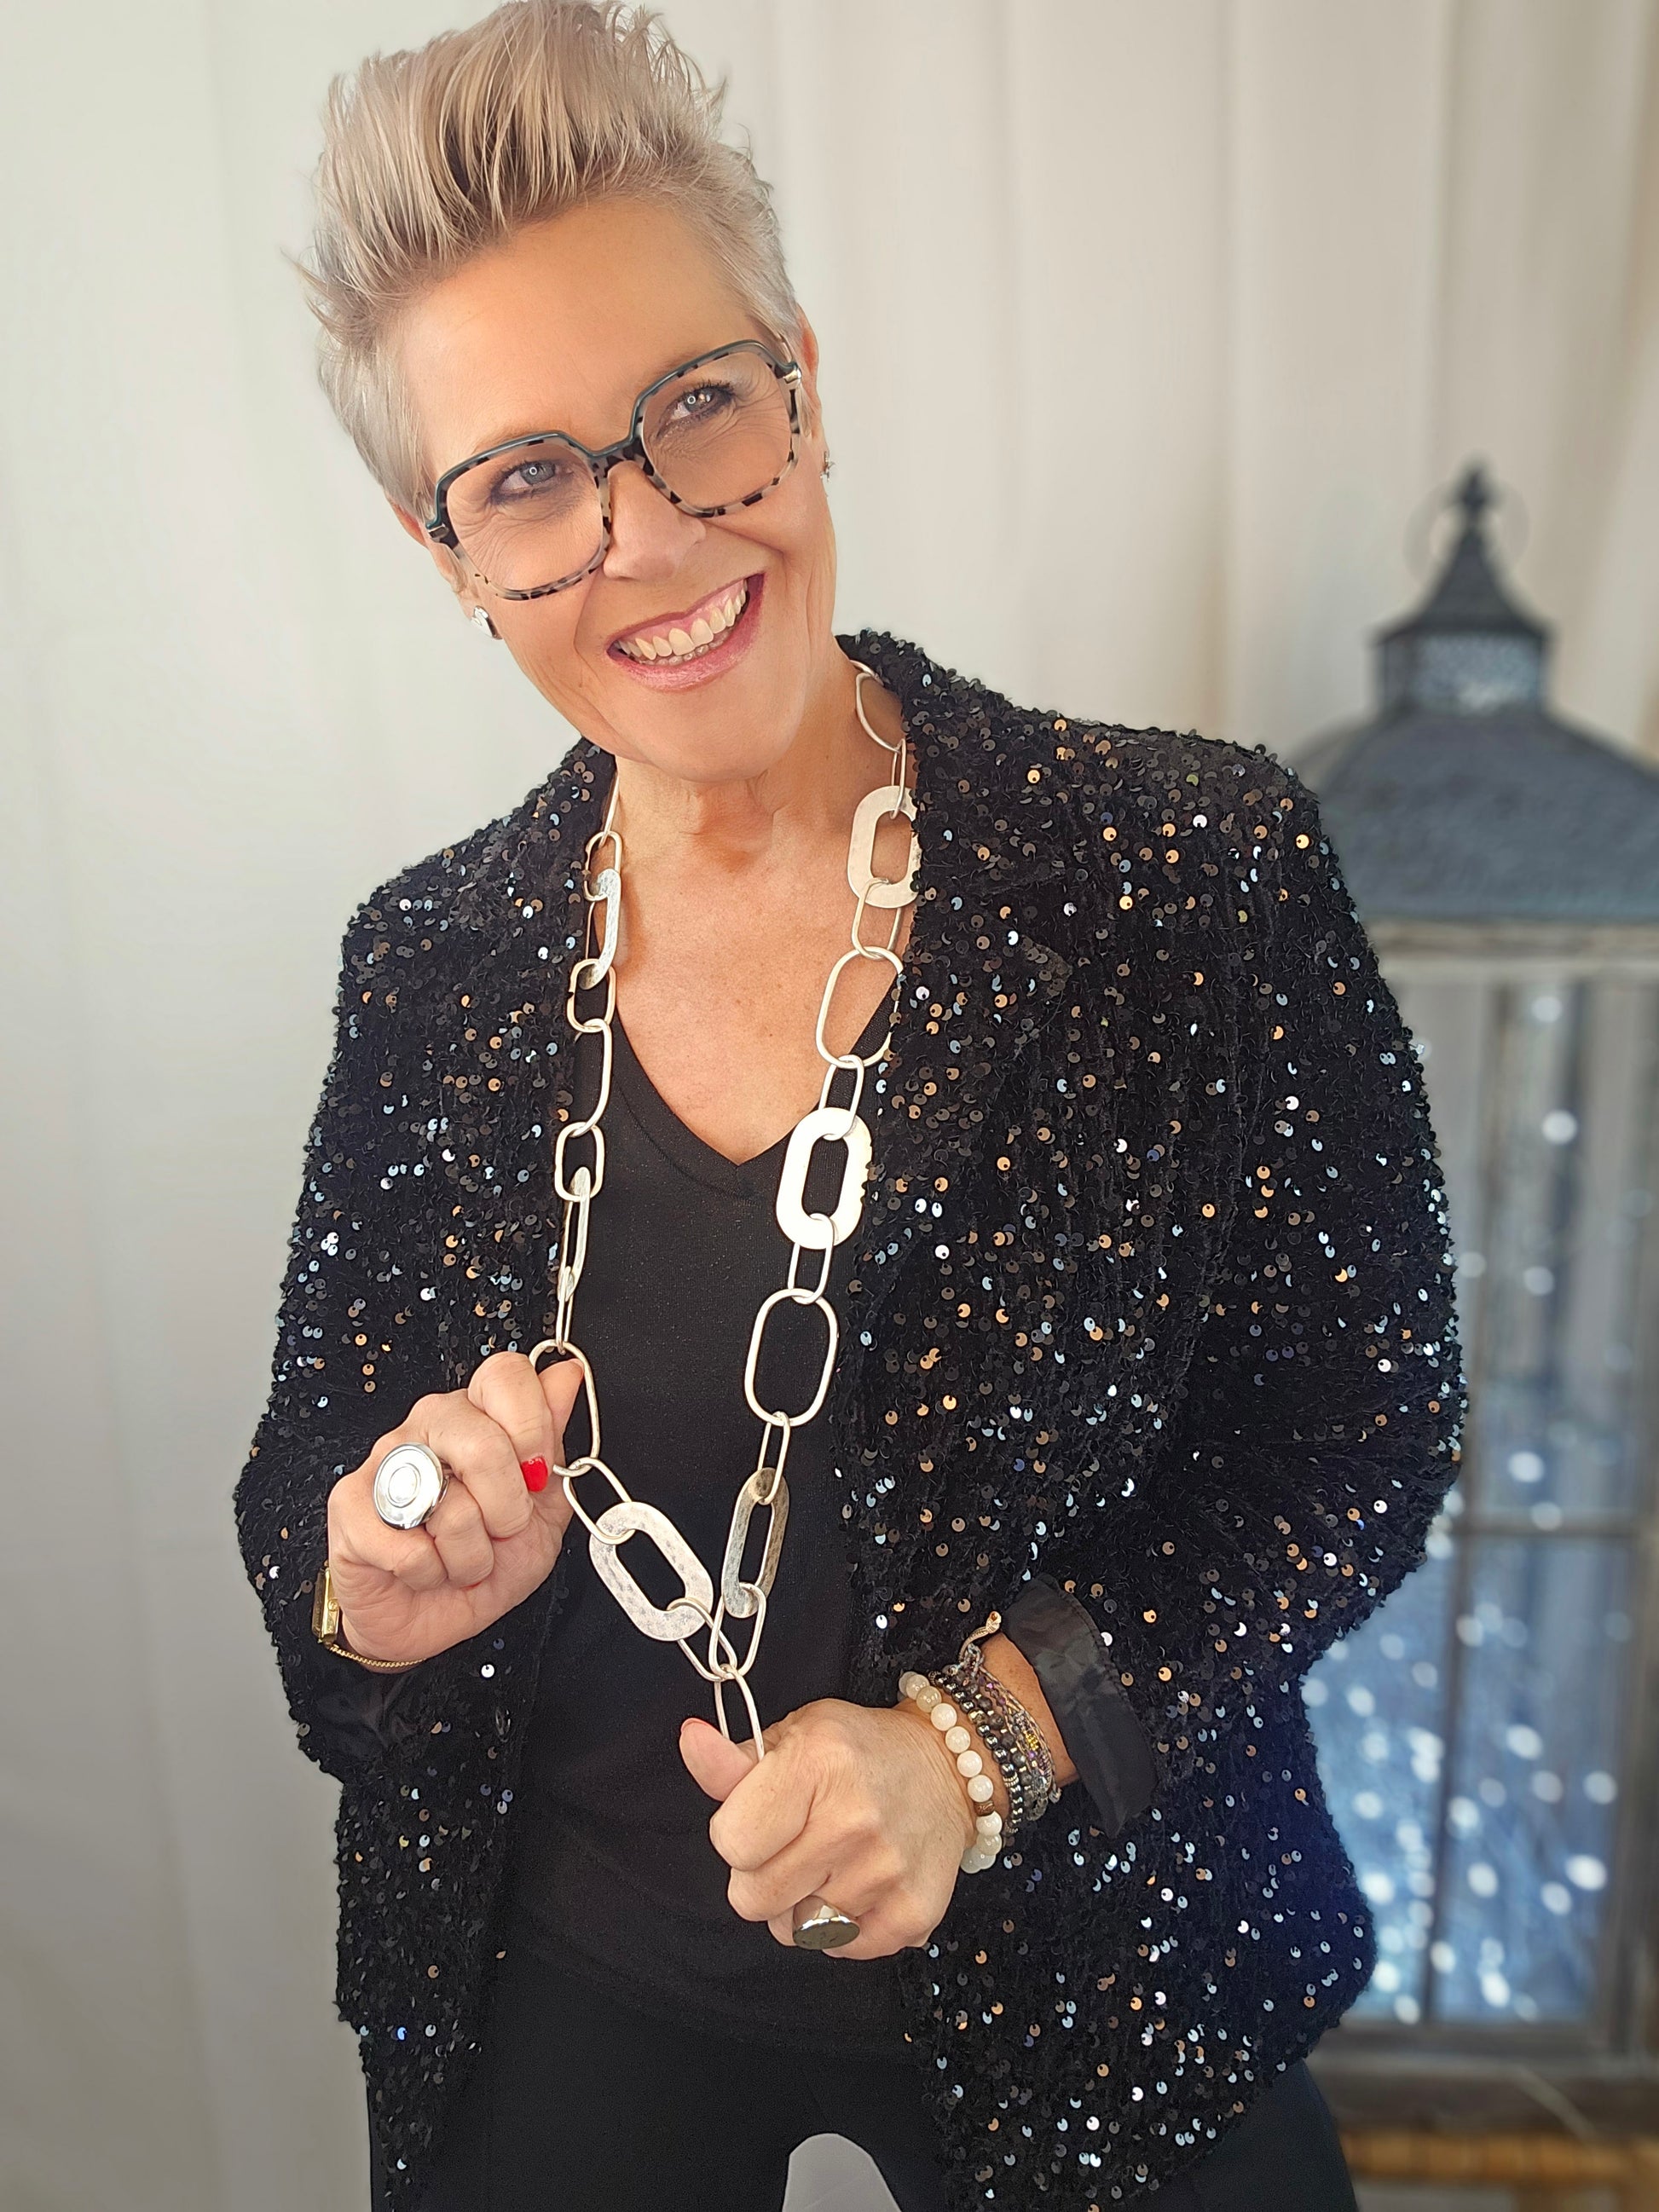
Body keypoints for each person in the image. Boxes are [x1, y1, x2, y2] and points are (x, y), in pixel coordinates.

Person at [234, 6, 1465, 2208]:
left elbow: (1360, 1433)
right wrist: (372, 1591)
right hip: (563, 1968)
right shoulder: (424, 964)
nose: (644, 536)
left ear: (800, 382)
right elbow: (309, 1512)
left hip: (1112, 1966)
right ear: (447, 553)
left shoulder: (1184, 873)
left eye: (698, 407)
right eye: (526, 481)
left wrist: (985, 1745)